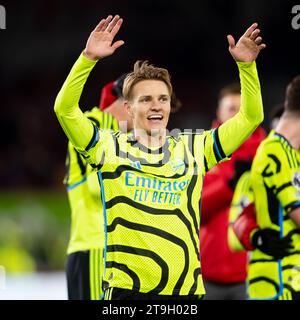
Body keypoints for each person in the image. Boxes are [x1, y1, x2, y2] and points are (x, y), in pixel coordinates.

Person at [54, 14, 265, 300]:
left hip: (185, 294)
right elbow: (64, 110)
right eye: (146, 99)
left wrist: (247, 67)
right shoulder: (108, 148)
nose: (156, 106)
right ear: (128, 108)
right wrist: (87, 58)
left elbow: (251, 117)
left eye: (162, 98)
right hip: (128, 294)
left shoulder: (194, 148)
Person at [64, 75, 133, 300]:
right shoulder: (96, 123)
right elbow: (99, 187)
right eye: (146, 101)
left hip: (115, 251)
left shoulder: (122, 131)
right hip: (96, 248)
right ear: (128, 104)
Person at [231, 81, 300, 299]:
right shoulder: (273, 153)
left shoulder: (292, 154)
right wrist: (256, 236)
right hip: (278, 282)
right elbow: (234, 230)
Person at [200, 83, 266, 300]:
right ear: (219, 112)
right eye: (231, 109)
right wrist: (229, 185)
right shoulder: (202, 149)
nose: (236, 115)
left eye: (241, 109)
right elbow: (193, 208)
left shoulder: (267, 152)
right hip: (207, 272)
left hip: (255, 270)